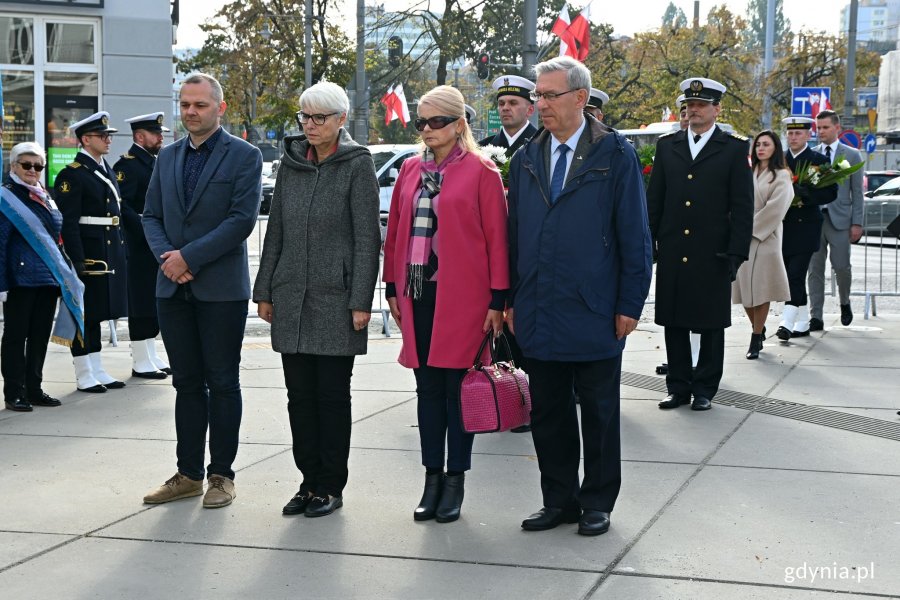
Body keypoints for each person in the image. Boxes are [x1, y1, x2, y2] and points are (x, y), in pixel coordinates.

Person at [507, 56, 652, 536]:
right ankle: (559, 500)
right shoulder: (526, 155)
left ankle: (597, 502)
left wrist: (630, 304)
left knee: (599, 412)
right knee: (548, 412)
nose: (539, 104)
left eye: (549, 95)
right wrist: (508, 298)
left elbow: (635, 235)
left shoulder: (614, 154)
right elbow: (515, 233)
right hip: (539, 308)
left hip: (595, 308)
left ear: (580, 98)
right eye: (538, 96)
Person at [253, 82, 381, 519]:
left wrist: (361, 298)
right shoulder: (291, 164)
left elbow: (367, 237)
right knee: (298, 397)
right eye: (304, 117)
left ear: (341, 120)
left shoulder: (357, 164)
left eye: (319, 117)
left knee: (331, 396)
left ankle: (330, 484)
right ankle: (307, 482)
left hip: (336, 299)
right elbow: (276, 232)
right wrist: (265, 289)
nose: (309, 125)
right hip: (291, 296)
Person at [383, 85, 509, 524]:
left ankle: (455, 480)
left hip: (465, 298)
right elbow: (395, 232)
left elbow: (498, 240)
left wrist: (498, 299)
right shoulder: (410, 170)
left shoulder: (482, 171)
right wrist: (391, 284)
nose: (427, 129)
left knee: (458, 393)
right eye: (421, 122)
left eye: (437, 121)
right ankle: (431, 478)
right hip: (417, 295)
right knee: (427, 392)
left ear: (459, 125)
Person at [141, 73, 262, 509]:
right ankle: (188, 473)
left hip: (220, 290)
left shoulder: (244, 156)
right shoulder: (167, 156)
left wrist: (188, 257)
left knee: (223, 382)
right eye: (185, 104)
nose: (191, 112)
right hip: (172, 288)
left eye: (200, 105)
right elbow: (150, 216)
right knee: (187, 383)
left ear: (220, 108)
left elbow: (241, 220)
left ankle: (221, 476)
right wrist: (167, 260)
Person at [647, 77, 753, 412]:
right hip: (674, 246)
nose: (693, 110)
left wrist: (736, 252)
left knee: (710, 322)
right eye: (689, 105)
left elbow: (742, 204)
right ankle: (677, 386)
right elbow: (656, 198)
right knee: (675, 319)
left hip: (713, 249)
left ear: (716, 109)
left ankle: (705, 387)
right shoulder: (668, 145)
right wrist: (649, 240)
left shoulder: (734, 147)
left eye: (700, 105)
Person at [1, 142, 80, 411]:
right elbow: (0, 244)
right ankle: (14, 392)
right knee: (15, 336)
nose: (32, 170)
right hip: (19, 280)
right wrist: (1, 284)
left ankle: (34, 388)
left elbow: (56, 238)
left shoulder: (44, 195)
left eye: (38, 166)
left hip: (47, 278)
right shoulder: (7, 197)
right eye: (26, 165)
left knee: (38, 337)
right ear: (13, 166)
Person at [54, 111, 129, 393]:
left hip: (107, 250)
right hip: (89, 252)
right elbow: (69, 222)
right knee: (84, 314)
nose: (108, 140)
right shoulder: (72, 174)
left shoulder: (103, 168)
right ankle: (84, 371)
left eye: (109, 135)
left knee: (99, 311)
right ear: (86, 139)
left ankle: (97, 367)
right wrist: (76, 260)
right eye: (102, 136)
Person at [115, 112, 171, 379]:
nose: (161, 137)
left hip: (155, 244)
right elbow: (124, 206)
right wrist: (148, 231)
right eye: (155, 133)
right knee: (140, 302)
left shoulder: (153, 162)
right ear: (139, 136)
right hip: (139, 246)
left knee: (153, 300)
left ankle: (150, 353)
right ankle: (140, 359)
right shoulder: (128, 166)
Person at [732, 130, 792, 359]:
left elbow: (776, 208)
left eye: (766, 144)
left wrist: (750, 228)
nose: (761, 148)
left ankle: (756, 337)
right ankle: (758, 326)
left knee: (762, 288)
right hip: (744, 233)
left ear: (775, 147)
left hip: (767, 236)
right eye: (758, 144)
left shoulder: (782, 175)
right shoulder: (749, 171)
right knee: (744, 287)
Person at [777, 117, 836, 340]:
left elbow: (831, 193)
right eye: (790, 133)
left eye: (798, 133)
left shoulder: (818, 160)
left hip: (807, 226)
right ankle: (802, 322)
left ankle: (786, 321)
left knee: (795, 273)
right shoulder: (779, 159)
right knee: (791, 274)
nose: (793, 137)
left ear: (808, 135)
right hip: (782, 226)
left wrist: (807, 195)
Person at [808, 109, 864, 329]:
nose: (820, 131)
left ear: (837, 128)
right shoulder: (812, 154)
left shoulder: (852, 155)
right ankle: (816, 316)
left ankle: (845, 302)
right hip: (815, 220)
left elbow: (857, 192)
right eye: (818, 127)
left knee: (841, 267)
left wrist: (857, 223)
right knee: (815, 269)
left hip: (840, 220)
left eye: (825, 127)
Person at [478, 75, 538, 156]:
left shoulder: (542, 146)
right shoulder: (482, 148)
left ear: (530, 110)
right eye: (501, 103)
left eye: (513, 103)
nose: (505, 108)